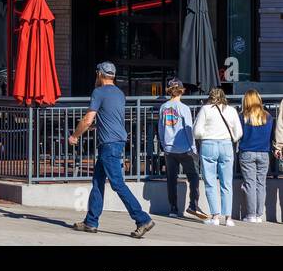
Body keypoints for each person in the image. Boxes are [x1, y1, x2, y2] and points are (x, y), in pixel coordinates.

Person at [68, 61, 154, 238]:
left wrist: (75, 136)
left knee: (117, 183)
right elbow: (109, 119)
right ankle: (91, 222)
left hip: (109, 144)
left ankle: (142, 219)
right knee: (98, 182)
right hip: (117, 141)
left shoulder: (98, 92)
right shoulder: (120, 94)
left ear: (100, 74)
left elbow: (87, 119)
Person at [193, 87, 242, 227]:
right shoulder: (231, 110)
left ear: (210, 96)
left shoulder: (205, 109)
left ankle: (215, 216)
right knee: (227, 183)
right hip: (226, 145)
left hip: (209, 145)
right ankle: (228, 218)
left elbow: (196, 132)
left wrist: (205, 136)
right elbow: (238, 132)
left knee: (210, 182)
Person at [157, 79, 205, 219]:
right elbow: (188, 130)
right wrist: (193, 147)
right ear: (182, 90)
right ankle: (193, 204)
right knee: (194, 177)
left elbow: (160, 128)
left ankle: (173, 208)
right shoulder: (184, 108)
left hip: (169, 148)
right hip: (184, 148)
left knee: (171, 179)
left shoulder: (163, 107)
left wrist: (163, 143)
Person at [237, 89, 271, 224]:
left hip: (247, 152)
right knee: (261, 184)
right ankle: (258, 214)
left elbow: (239, 134)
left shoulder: (243, 116)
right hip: (264, 153)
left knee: (250, 183)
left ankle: (251, 215)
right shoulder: (267, 116)